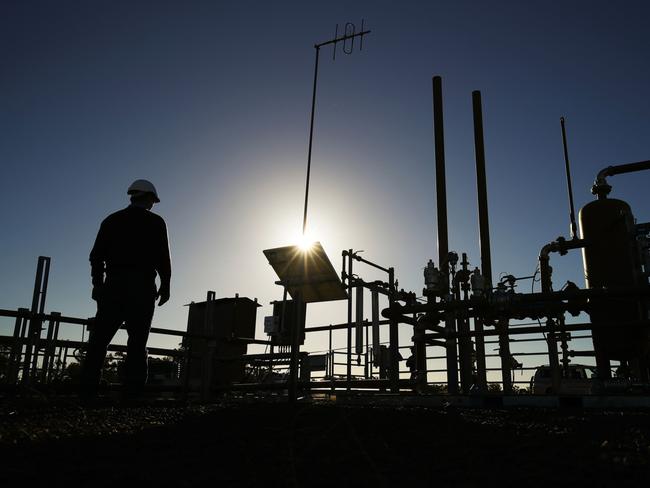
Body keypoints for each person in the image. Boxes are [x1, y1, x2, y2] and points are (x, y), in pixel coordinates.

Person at [81, 179, 171, 399]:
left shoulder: (112, 221)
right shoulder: (156, 223)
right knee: (138, 343)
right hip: (142, 289)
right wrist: (166, 285)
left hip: (114, 286)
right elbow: (163, 259)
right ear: (148, 197)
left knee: (99, 340)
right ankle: (132, 394)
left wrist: (98, 285)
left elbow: (96, 256)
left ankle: (87, 391)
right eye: (153, 200)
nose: (153, 204)